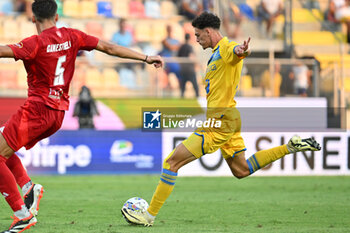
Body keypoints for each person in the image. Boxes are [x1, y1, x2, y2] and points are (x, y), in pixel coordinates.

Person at [121, 12, 321, 226]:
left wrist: (242, 50)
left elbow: (237, 52)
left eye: (198, 35)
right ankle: (290, 147)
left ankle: (148, 215)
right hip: (229, 118)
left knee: (171, 162)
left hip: (220, 121)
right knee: (241, 170)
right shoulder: (215, 54)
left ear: (208, 32)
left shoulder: (226, 47)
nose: (197, 40)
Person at [0, 0, 163, 232]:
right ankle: (28, 188)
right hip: (57, 115)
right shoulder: (73, 36)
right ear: (56, 17)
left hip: (37, 110)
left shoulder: (33, 43)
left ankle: (22, 214)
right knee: (2, 145)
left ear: (33, 18)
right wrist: (146, 58)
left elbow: (3, 51)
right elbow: (110, 48)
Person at [177, 33, 199, 98]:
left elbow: (178, 57)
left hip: (183, 69)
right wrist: (196, 65)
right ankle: (198, 98)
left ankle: (182, 98)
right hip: (190, 69)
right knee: (195, 86)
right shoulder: (190, 47)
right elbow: (191, 57)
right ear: (189, 38)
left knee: (183, 87)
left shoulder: (181, 47)